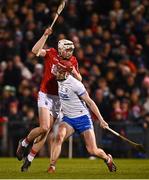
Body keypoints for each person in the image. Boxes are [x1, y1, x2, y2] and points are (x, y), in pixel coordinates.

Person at [16, 27, 82, 171]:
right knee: (44, 127)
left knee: (45, 132)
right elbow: (35, 51)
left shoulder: (73, 60)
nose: (70, 52)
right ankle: (24, 143)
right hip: (45, 94)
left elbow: (80, 78)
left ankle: (29, 159)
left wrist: (73, 71)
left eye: (71, 50)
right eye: (67, 50)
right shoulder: (51, 53)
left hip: (59, 99)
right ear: (60, 49)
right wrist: (45, 35)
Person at [47, 60, 117, 173]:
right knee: (58, 136)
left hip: (83, 118)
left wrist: (101, 120)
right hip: (68, 119)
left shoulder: (76, 84)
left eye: (60, 71)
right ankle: (52, 166)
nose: (57, 72)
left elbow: (90, 102)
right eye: (58, 70)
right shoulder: (59, 76)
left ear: (67, 73)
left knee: (92, 150)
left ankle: (107, 158)